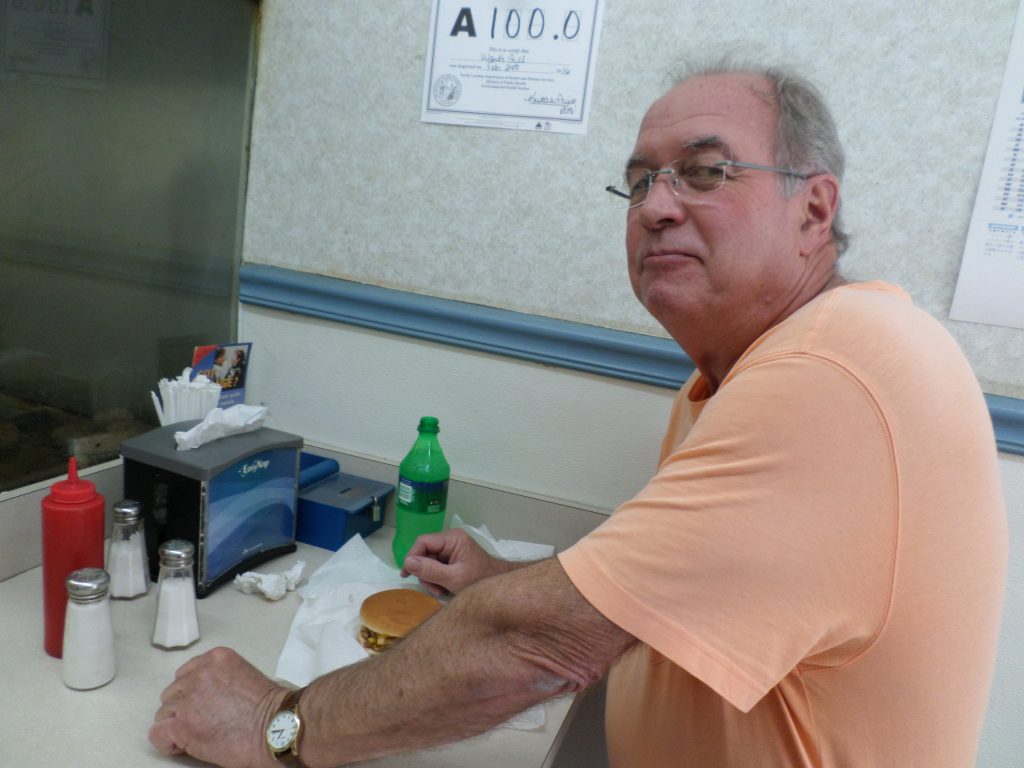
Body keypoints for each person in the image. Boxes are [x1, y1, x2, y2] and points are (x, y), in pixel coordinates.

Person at [149, 60, 1007, 767]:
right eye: (639, 183)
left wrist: (275, 721)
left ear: (813, 210)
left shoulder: (831, 372)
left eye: (705, 171)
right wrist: (504, 579)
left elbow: (537, 644)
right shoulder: (734, 376)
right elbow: (661, 588)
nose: (657, 206)